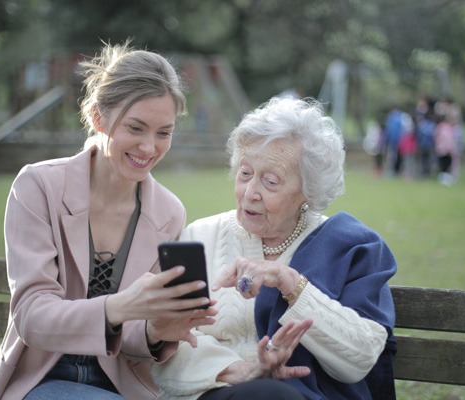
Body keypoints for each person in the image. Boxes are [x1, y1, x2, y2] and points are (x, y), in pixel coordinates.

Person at [0, 41, 217, 400]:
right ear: (97, 117)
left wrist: (157, 328)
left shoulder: (169, 211)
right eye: (135, 128)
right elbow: (31, 316)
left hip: (123, 387)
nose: (150, 148)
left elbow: (134, 340)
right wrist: (121, 306)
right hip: (40, 379)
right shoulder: (38, 186)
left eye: (163, 132)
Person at [151, 97, 397, 400]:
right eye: (244, 173)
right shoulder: (200, 236)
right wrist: (237, 370)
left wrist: (291, 283)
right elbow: (163, 342)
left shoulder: (350, 246)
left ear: (309, 191)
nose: (250, 192)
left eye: (270, 181)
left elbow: (361, 359)